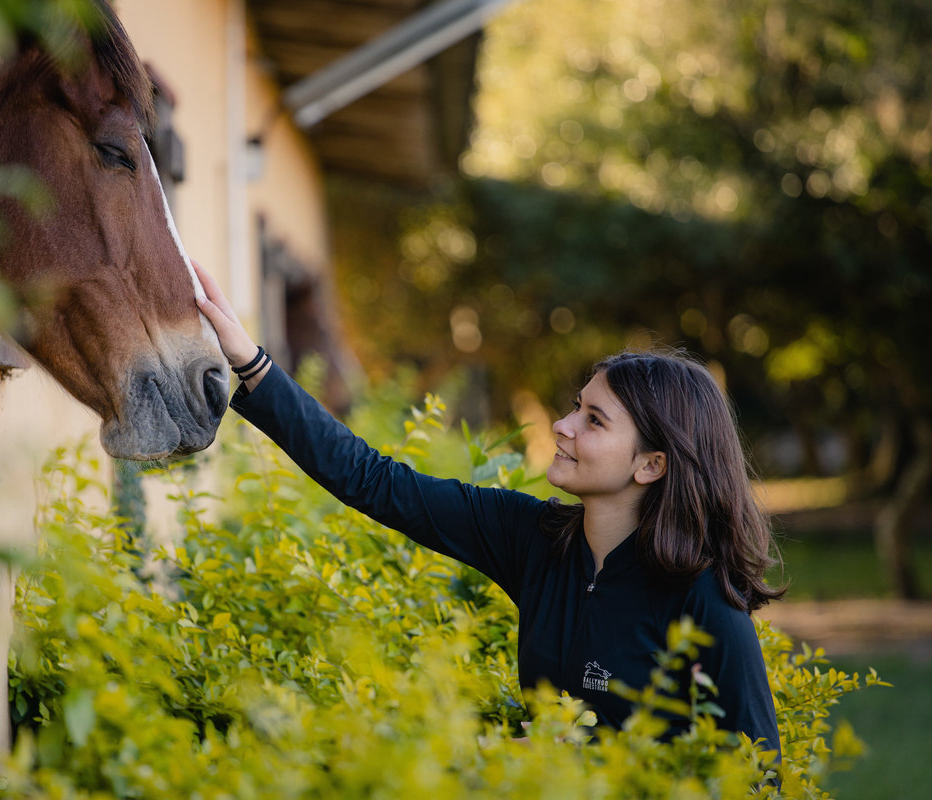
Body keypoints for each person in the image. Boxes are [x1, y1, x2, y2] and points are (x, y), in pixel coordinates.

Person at [193, 263, 782, 755]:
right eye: (576, 407)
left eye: (593, 420)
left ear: (651, 464)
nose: (562, 425)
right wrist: (250, 363)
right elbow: (371, 480)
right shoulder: (534, 539)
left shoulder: (701, 598)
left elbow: (758, 778)